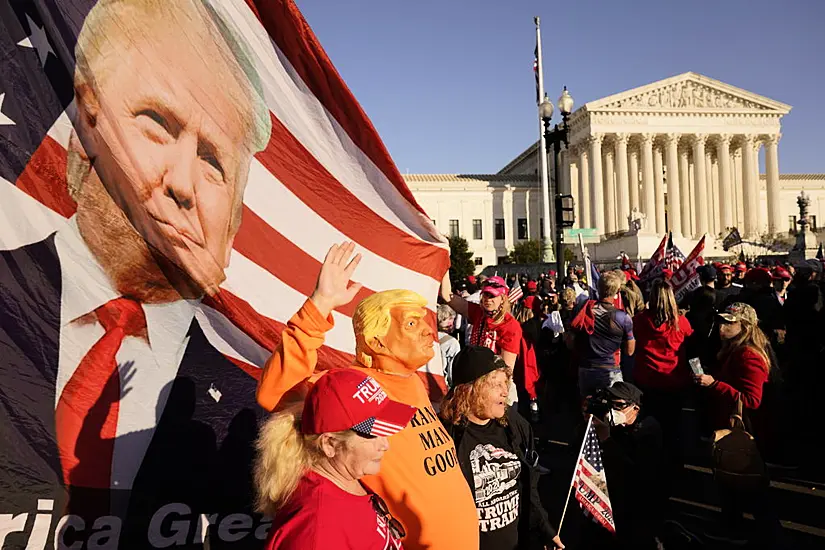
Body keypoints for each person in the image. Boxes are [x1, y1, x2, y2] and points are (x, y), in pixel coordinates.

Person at [0, 0, 272, 542]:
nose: (181, 183)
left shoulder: (253, 395)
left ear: (236, 220)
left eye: (215, 161)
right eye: (155, 124)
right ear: (83, 136)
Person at [256, 243, 479, 549]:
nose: (429, 331)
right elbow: (275, 392)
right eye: (412, 324)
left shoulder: (412, 380)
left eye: (425, 321)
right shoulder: (356, 387)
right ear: (377, 341)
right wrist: (320, 305)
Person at [257, 369, 415, 549]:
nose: (385, 445)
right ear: (329, 444)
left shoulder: (345, 481)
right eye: (373, 436)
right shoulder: (317, 530)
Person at [439, 346, 564, 550]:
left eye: (505, 383)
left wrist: (544, 528)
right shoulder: (445, 437)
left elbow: (529, 487)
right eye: (494, 385)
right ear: (469, 389)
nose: (505, 391)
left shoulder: (515, 425)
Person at [694, 303, 782, 546]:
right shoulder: (736, 350)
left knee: (749, 487)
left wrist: (714, 384)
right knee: (735, 485)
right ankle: (735, 527)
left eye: (729, 322)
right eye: (721, 321)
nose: (722, 326)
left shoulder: (748, 354)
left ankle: (758, 534)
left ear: (744, 326)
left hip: (742, 432)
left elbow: (752, 400)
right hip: (731, 429)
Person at [631, 279, 693, 508]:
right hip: (674, 383)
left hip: (647, 382)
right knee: (673, 427)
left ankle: (651, 466)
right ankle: (674, 466)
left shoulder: (640, 321)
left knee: (649, 426)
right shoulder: (681, 323)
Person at [588, 383, 665, 550]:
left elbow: (636, 471)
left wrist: (606, 440)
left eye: (619, 405)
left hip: (640, 503)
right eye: (611, 403)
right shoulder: (617, 426)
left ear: (635, 408)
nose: (613, 410)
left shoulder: (648, 430)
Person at [444, 275, 523, 406]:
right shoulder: (478, 313)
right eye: (485, 294)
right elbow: (447, 296)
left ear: (502, 298)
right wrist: (444, 265)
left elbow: (506, 370)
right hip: (475, 384)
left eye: (492, 296)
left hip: (496, 387)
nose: (487, 299)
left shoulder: (510, 325)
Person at [570, 271, 636, 397]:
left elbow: (570, 342)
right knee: (612, 411)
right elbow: (630, 351)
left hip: (587, 368)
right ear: (617, 292)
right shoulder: (623, 317)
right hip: (610, 369)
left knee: (588, 410)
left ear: (598, 289)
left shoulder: (583, 311)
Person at [437, 304, 461, 388]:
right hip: (441, 385)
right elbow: (452, 371)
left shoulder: (426, 337)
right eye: (450, 319)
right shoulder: (452, 343)